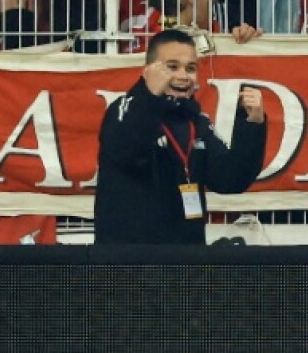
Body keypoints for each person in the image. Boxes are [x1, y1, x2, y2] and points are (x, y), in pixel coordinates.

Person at [94, 29, 268, 244]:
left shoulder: (196, 121)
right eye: (172, 67)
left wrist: (252, 125)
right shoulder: (122, 109)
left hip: (185, 264)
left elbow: (230, 179)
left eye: (191, 68)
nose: (183, 75)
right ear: (148, 70)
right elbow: (128, 154)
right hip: (129, 267)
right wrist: (150, 97)